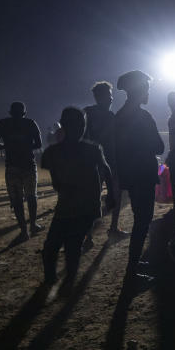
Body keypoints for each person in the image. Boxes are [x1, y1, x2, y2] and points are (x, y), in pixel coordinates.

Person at [41, 107, 114, 286]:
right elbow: (107, 170)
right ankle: (63, 280)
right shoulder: (91, 149)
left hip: (80, 207)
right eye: (78, 124)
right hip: (74, 206)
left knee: (62, 246)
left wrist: (111, 193)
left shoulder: (54, 152)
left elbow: (55, 180)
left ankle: (62, 281)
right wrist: (110, 194)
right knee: (61, 247)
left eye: (82, 124)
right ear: (65, 125)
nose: (81, 128)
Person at [114, 70, 163, 285]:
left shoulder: (120, 115)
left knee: (139, 220)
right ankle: (131, 273)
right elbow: (159, 146)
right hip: (143, 175)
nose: (149, 92)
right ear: (139, 89)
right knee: (142, 223)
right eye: (147, 88)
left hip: (131, 175)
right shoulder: (143, 117)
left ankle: (134, 265)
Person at [0, 101, 43, 242]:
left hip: (12, 166)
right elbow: (39, 144)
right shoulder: (30, 123)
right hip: (28, 164)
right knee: (32, 196)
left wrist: (9, 145)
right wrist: (24, 146)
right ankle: (33, 224)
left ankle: (23, 230)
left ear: (10, 112)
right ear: (24, 113)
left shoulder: (3, 123)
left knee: (17, 199)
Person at [85, 80, 126, 237]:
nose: (111, 99)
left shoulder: (87, 113)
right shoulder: (108, 116)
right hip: (105, 163)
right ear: (99, 97)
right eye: (109, 95)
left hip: (99, 163)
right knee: (112, 195)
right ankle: (112, 228)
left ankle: (89, 234)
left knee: (94, 197)